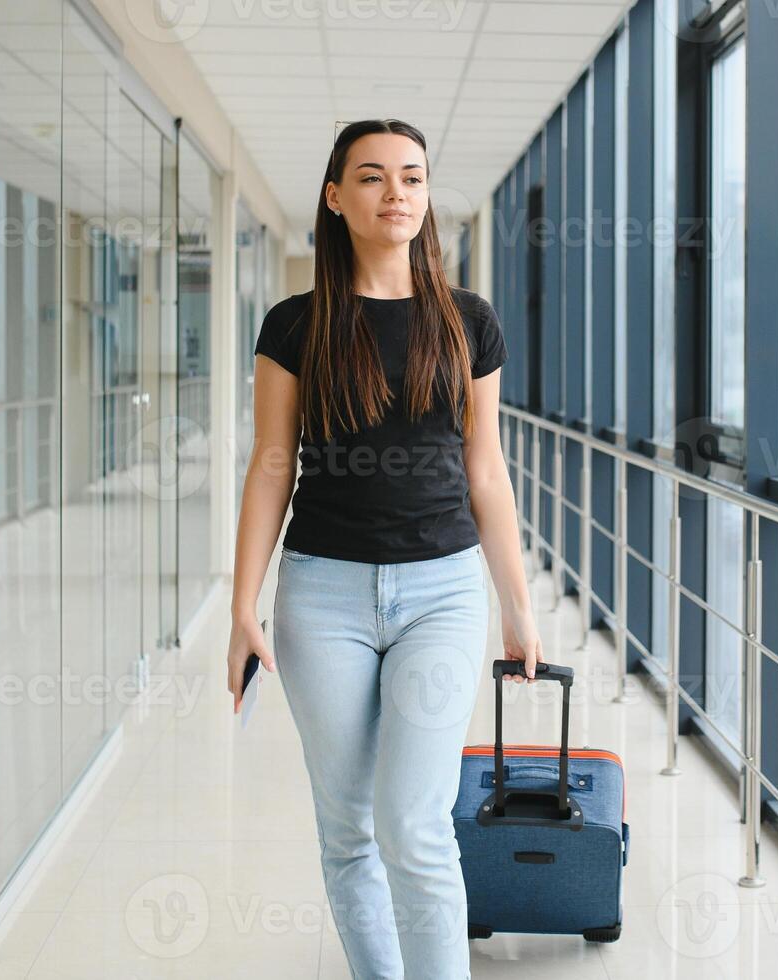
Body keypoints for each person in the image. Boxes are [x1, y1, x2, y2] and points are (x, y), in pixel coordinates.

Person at [227, 118, 541, 980]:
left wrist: (517, 608)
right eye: (371, 177)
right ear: (335, 197)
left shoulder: (466, 321)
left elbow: (487, 474)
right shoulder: (295, 326)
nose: (394, 192)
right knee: (348, 827)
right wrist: (240, 608)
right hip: (321, 595)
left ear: (427, 195)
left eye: (411, 177)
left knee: (415, 824)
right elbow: (269, 467)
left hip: (441, 593)